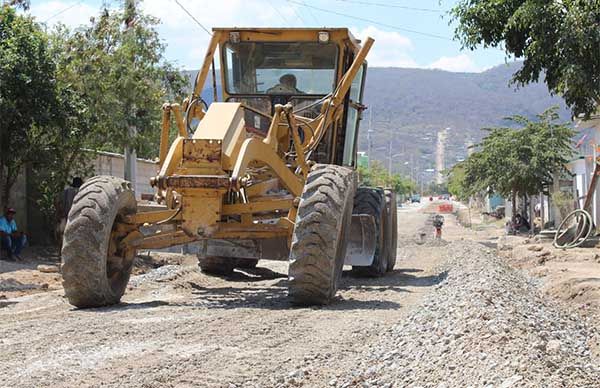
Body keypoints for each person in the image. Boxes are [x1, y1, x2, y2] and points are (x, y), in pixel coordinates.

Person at [56, 177, 83, 251]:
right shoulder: (81, 192)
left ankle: (61, 254)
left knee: (62, 237)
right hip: (77, 218)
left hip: (64, 218)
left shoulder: (64, 192)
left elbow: (57, 202)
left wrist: (59, 215)